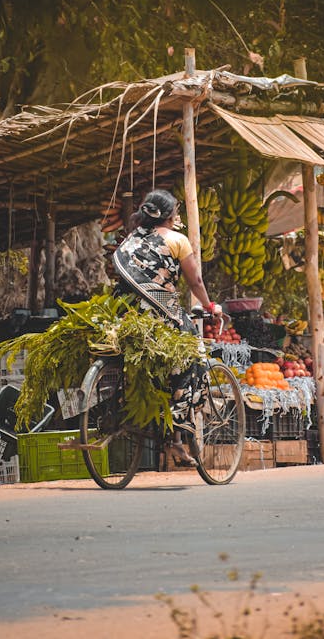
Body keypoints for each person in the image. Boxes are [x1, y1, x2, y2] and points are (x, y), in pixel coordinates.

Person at [113, 189, 221, 466]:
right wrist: (210, 308)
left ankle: (170, 437)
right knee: (194, 358)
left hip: (123, 316)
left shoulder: (131, 240)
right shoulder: (177, 240)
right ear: (172, 215)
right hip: (159, 316)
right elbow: (195, 282)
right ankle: (177, 437)